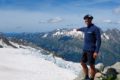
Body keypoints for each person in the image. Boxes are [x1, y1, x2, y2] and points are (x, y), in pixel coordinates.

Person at [76, 14, 101, 80]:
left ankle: (92, 78)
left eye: (88, 19)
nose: (86, 20)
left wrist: (96, 51)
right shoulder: (86, 28)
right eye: (85, 19)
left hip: (91, 50)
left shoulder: (95, 29)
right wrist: (78, 29)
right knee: (82, 63)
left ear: (91, 19)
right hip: (85, 49)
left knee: (91, 65)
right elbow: (82, 29)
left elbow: (99, 41)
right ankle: (86, 76)